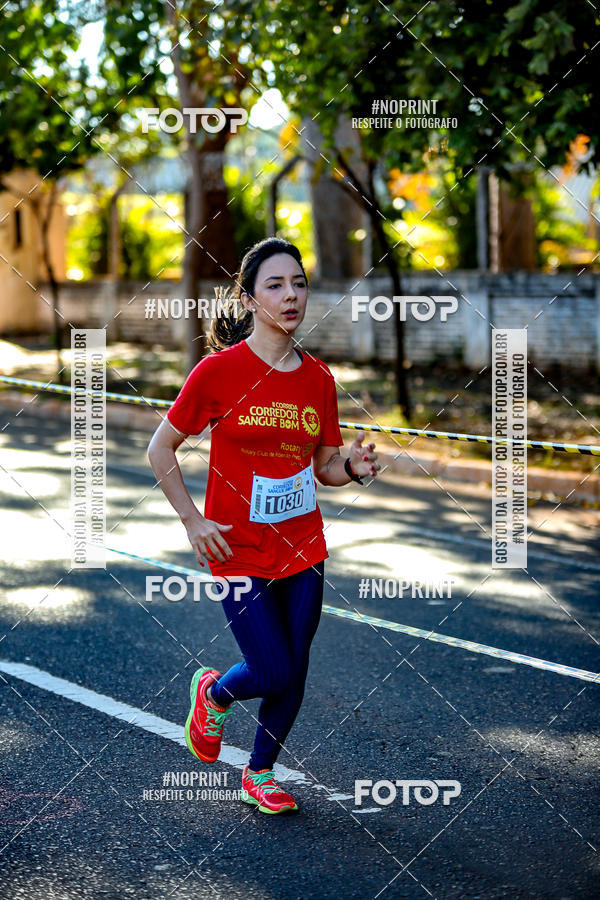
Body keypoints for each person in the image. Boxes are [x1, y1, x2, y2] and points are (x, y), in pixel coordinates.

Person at [148, 237, 379, 814]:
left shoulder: (319, 379)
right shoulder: (218, 373)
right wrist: (192, 521)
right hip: (237, 549)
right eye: (275, 285)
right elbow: (161, 449)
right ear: (249, 299)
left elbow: (324, 465)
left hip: (303, 546)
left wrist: (350, 466)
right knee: (270, 667)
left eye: (298, 283)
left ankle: (260, 771)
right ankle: (215, 691)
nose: (291, 294)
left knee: (294, 667)